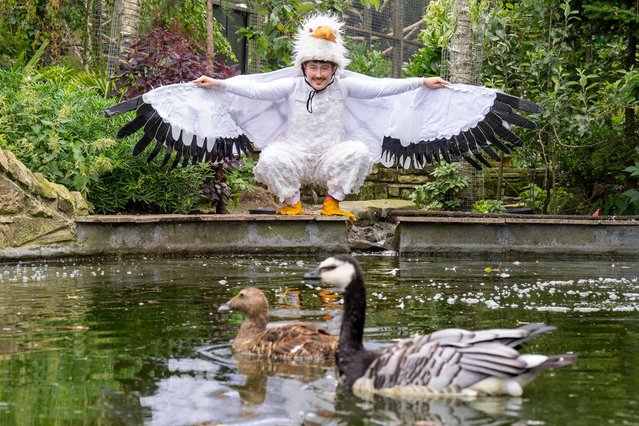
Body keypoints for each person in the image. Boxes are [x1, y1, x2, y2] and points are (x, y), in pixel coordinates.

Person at [192, 16, 449, 219]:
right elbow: (256, 90)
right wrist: (219, 83)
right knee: (270, 157)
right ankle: (293, 205)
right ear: (304, 67)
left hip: (330, 155)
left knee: (359, 152)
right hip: (296, 155)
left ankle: (331, 203)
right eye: (313, 67)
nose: (318, 74)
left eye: (324, 68)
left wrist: (422, 81)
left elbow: (383, 87)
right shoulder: (291, 86)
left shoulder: (345, 86)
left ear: (334, 69)